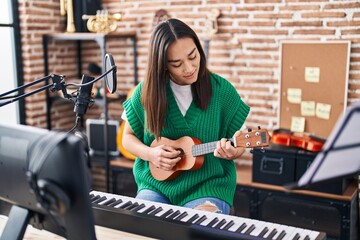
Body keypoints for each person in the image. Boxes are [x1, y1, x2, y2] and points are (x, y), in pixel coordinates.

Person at [122, 18, 250, 215]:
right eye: (177, 63)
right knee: (142, 226)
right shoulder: (145, 92)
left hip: (207, 186)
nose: (189, 68)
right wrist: (150, 154)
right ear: (162, 65)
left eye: (193, 56)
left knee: (197, 230)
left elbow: (239, 142)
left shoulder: (222, 91)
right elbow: (127, 138)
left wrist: (234, 152)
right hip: (156, 186)